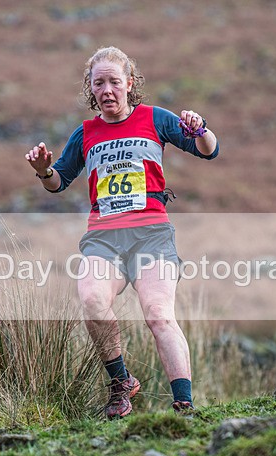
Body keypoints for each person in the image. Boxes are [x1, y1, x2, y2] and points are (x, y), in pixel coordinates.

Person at [25, 46, 219, 418]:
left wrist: (202, 129)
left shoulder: (155, 119)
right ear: (91, 89)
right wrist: (44, 171)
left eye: (115, 81)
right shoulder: (85, 134)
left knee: (159, 314)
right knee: (93, 302)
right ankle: (121, 383)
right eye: (100, 83)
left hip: (151, 235)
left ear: (130, 84)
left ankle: (185, 407)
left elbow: (208, 150)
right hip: (104, 238)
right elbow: (58, 182)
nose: (108, 89)